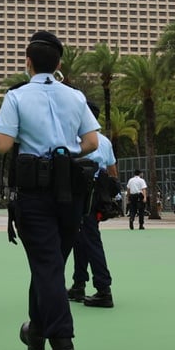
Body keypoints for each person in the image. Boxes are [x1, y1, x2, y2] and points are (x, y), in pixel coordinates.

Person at [0, 31, 100, 350]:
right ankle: (36, 334)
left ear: (28, 62)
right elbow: (92, 142)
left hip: (35, 194)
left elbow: (2, 144)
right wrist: (64, 154)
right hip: (71, 193)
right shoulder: (76, 96)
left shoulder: (17, 96)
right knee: (51, 265)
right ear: (59, 65)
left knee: (47, 266)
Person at [68, 101, 118, 308]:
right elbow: (113, 172)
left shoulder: (77, 139)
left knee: (89, 238)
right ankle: (79, 284)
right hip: (97, 192)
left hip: (81, 193)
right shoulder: (104, 141)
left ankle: (103, 289)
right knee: (81, 238)